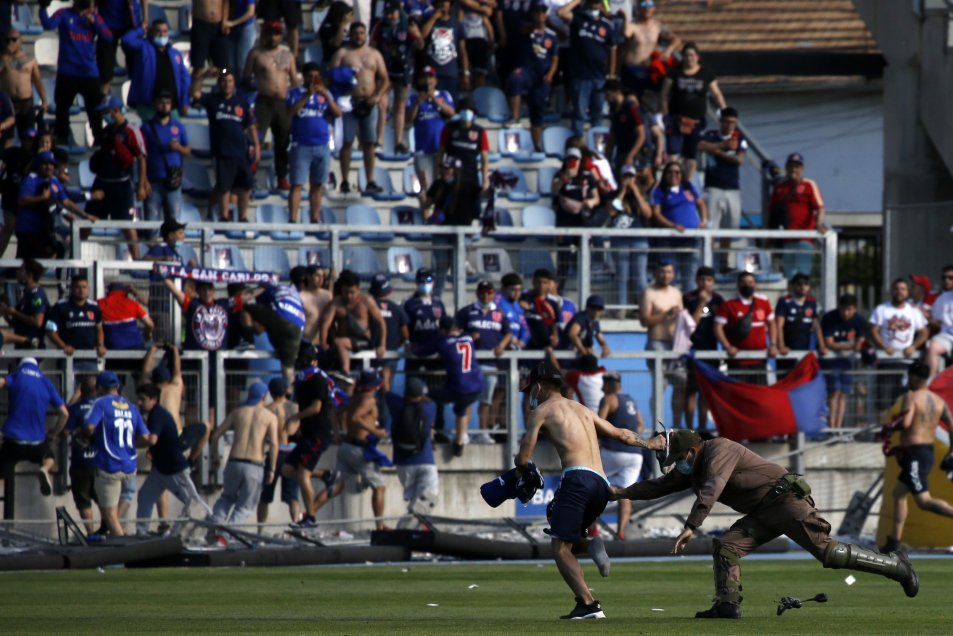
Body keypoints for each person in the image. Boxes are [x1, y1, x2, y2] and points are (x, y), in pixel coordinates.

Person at [613, 429, 919, 618]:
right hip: (762, 511)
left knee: (829, 554)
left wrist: (691, 525)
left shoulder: (720, 449)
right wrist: (619, 493)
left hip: (785, 502)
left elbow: (713, 488)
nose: (675, 466)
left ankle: (897, 566)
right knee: (727, 548)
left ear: (690, 451)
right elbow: (658, 486)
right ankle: (727, 605)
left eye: (677, 459)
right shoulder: (691, 465)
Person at [516, 362, 664, 620]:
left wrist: (522, 474)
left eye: (531, 390)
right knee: (557, 520)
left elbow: (523, 457)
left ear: (538, 387)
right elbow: (621, 434)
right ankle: (591, 545)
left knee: (559, 548)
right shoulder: (583, 409)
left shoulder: (541, 411)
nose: (531, 395)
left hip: (577, 479)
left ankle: (588, 605)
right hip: (600, 484)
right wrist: (651, 443)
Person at [881, 361, 953, 552]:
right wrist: (951, 451)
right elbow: (951, 425)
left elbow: (905, 422)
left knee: (924, 502)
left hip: (914, 454)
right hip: (925, 452)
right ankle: (894, 542)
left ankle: (894, 542)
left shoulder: (911, 397)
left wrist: (890, 427)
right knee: (898, 494)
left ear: (913, 376)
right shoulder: (939, 401)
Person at [135, 383, 213, 536]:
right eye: (138, 399)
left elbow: (152, 440)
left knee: (194, 502)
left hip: (174, 470)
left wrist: (131, 444)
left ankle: (217, 529)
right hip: (160, 469)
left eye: (142, 399)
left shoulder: (157, 414)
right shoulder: (154, 414)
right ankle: (141, 531)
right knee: (145, 496)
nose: (139, 402)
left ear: (153, 400)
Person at [85, 371, 156, 537]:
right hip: (130, 465)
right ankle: (115, 537)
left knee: (109, 514)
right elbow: (147, 438)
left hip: (109, 464)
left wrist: (91, 438)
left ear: (99, 387)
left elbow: (89, 427)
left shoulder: (101, 403)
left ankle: (122, 551)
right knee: (116, 504)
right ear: (117, 386)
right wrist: (131, 445)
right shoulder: (131, 406)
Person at [281, 344, 342, 529]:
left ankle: (311, 518)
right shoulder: (303, 381)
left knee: (302, 474)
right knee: (285, 469)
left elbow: (317, 408)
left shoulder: (317, 379)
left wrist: (294, 417)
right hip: (308, 434)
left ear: (315, 362)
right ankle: (325, 474)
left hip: (318, 434)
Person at [208, 382, 280, 534]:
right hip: (254, 466)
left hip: (233, 463)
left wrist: (216, 457)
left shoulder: (237, 412)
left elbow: (215, 436)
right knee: (245, 507)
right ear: (264, 397)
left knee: (226, 498)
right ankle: (227, 536)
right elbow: (274, 444)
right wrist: (272, 469)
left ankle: (214, 528)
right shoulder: (270, 417)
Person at [193, 68, 260, 223]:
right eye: (224, 81)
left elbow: (251, 126)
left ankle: (243, 217)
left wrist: (256, 146)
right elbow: (194, 92)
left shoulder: (241, 102)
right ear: (219, 83)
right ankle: (224, 216)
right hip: (222, 153)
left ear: (234, 83)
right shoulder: (212, 100)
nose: (227, 84)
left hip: (241, 153)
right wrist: (203, 75)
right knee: (224, 187)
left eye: (230, 81)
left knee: (246, 185)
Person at [330, 20, 389, 195]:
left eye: (362, 33)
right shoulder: (343, 53)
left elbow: (385, 78)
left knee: (369, 143)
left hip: (369, 101)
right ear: (351, 35)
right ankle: (345, 181)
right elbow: (330, 76)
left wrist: (377, 96)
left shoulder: (374, 54)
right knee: (347, 142)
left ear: (366, 35)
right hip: (349, 101)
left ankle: (370, 180)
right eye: (355, 33)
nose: (359, 36)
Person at [40, 0, 112, 145]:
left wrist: (95, 23)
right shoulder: (64, 13)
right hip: (68, 71)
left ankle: (98, 138)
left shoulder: (94, 17)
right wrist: (42, 8)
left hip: (89, 72)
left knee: (95, 109)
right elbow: (48, 24)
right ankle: (62, 137)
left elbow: (108, 36)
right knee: (62, 107)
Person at [0, 358, 69, 506]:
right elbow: (65, 413)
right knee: (49, 457)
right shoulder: (46, 382)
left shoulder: (17, 375)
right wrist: (54, 433)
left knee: (3, 467)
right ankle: (44, 469)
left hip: (13, 440)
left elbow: (2, 382)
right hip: (37, 441)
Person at [87, 95, 147, 260]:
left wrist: (141, 184)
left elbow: (141, 158)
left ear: (115, 111)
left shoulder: (131, 131)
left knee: (127, 224)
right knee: (87, 220)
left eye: (106, 112)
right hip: (102, 183)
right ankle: (77, 255)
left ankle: (136, 260)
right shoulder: (106, 132)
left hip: (121, 185)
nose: (104, 115)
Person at [419, 315, 485, 457]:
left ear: (443, 330)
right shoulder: (468, 338)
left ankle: (430, 435)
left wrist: (410, 346)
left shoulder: (443, 341)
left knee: (427, 397)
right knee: (460, 408)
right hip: (477, 385)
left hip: (458, 388)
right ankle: (459, 442)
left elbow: (420, 351)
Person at [244, 20, 297, 190]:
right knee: (255, 139)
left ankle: (282, 177)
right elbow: (245, 78)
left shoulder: (287, 55)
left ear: (281, 35)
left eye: (276, 34)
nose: (273, 37)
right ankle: (249, 175)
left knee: (282, 141)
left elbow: (295, 81)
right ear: (264, 34)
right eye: (270, 33)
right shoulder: (256, 53)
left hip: (282, 102)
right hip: (263, 101)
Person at [660, 42, 726, 179]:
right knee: (673, 152)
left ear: (697, 57)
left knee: (691, 153)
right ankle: (671, 179)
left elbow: (716, 93)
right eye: (686, 55)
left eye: (692, 55)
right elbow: (664, 95)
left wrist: (724, 109)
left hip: (696, 121)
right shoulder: (674, 72)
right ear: (682, 57)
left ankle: (687, 182)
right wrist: (665, 115)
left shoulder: (705, 73)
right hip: (676, 119)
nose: (689, 58)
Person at [456, 280, 511, 443]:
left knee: (486, 400)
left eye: (489, 292)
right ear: (477, 293)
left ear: (494, 293)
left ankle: (483, 433)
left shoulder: (499, 313)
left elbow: (508, 333)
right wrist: (468, 336)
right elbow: (455, 331)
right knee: (467, 399)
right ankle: (463, 432)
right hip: (470, 363)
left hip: (490, 363)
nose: (486, 295)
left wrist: (501, 345)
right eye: (483, 292)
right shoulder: (467, 311)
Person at [287, 63, 340, 223]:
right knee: (296, 184)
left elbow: (338, 113)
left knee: (317, 185)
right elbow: (290, 112)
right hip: (301, 145)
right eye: (309, 76)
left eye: (315, 76)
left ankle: (315, 218)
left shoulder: (324, 94)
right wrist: (306, 96)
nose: (312, 79)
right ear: (303, 76)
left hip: (322, 145)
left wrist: (326, 95)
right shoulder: (295, 93)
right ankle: (293, 220)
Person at [419, 156, 480, 296]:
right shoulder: (438, 184)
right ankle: (435, 300)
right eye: (444, 168)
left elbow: (478, 202)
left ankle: (459, 300)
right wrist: (422, 192)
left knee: (457, 270)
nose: (446, 171)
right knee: (439, 268)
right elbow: (426, 205)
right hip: (442, 231)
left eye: (449, 168)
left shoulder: (468, 185)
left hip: (462, 232)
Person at [16, 150, 95, 258]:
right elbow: (22, 200)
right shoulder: (30, 179)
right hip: (28, 228)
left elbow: (65, 201)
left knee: (51, 254)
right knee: (32, 258)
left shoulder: (54, 180)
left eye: (51, 164)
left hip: (44, 229)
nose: (49, 167)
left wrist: (84, 215)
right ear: (39, 165)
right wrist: (41, 197)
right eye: (45, 164)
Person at [558, 0, 619, 137]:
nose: (595, 4)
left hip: (599, 77)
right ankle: (577, 149)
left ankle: (596, 149)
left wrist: (612, 73)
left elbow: (613, 50)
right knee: (579, 115)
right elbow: (561, 12)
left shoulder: (606, 25)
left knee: (597, 116)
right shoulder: (579, 18)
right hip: (581, 76)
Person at [338, 369, 389, 530]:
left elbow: (337, 411)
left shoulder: (355, 398)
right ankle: (380, 526)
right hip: (359, 449)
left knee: (337, 486)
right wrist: (376, 431)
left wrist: (337, 432)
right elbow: (355, 418)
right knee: (379, 486)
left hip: (346, 445)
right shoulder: (369, 400)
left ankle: (310, 515)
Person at [697, 106, 746, 268]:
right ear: (721, 121)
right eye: (726, 122)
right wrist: (723, 145)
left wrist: (718, 152)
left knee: (729, 227)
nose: (729, 126)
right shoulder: (711, 135)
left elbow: (739, 160)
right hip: (713, 187)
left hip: (732, 188)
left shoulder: (740, 138)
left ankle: (724, 260)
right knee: (711, 226)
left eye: (732, 122)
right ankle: (708, 261)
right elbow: (701, 145)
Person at [504, 1, 557, 151]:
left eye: (543, 12)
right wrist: (536, 24)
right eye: (537, 12)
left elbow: (554, 58)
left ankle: (537, 145)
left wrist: (551, 74)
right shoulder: (527, 29)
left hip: (541, 76)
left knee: (537, 112)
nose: (540, 15)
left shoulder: (551, 37)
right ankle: (515, 117)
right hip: (527, 70)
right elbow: (525, 29)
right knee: (515, 79)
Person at [597, 372, 644, 540]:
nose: (602, 387)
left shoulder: (609, 399)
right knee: (625, 494)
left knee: (595, 484)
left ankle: (591, 528)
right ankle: (620, 532)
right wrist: (629, 437)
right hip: (635, 455)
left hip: (613, 451)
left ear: (609, 385)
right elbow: (640, 424)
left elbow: (599, 424)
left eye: (604, 384)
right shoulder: (630, 399)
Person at [370, 1, 421, 153]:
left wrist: (416, 33)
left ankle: (398, 141)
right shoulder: (380, 25)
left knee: (400, 107)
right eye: (387, 13)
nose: (390, 16)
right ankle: (379, 140)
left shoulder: (407, 24)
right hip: (385, 71)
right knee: (382, 105)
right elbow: (372, 46)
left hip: (404, 71)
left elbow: (420, 45)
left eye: (393, 13)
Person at [869, 278, 929, 405]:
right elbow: (873, 331)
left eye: (903, 289)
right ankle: (885, 425)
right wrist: (884, 346)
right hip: (886, 362)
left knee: (905, 401)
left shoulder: (914, 311)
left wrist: (913, 346)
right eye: (896, 289)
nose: (899, 292)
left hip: (907, 363)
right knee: (883, 402)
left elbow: (924, 332)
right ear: (891, 291)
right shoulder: (881, 309)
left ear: (907, 292)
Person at [650, 161, 707, 292]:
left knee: (690, 275)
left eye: (677, 172)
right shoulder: (659, 191)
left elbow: (701, 204)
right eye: (670, 172)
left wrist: (703, 221)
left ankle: (688, 305)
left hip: (691, 239)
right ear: (665, 174)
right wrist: (672, 225)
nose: (673, 175)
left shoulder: (688, 188)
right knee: (669, 275)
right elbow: (656, 214)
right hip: (670, 240)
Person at [767, 152, 826, 278]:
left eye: (797, 166)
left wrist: (819, 223)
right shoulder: (780, 187)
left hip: (804, 238)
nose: (794, 169)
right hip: (786, 239)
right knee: (789, 276)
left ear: (802, 168)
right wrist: (769, 234)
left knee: (802, 276)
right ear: (786, 167)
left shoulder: (809, 185)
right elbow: (772, 211)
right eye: (791, 166)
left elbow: (820, 207)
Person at [318, 269, 387, 376]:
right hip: (344, 340)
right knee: (338, 343)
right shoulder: (336, 303)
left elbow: (381, 323)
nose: (349, 296)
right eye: (346, 292)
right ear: (341, 289)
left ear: (358, 289)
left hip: (363, 341)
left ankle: (345, 371)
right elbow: (325, 323)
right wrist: (323, 342)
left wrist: (381, 345)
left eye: (352, 292)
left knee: (339, 342)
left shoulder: (366, 301)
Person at [388, 377, 439, 524]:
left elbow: (387, 393)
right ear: (421, 394)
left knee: (415, 501)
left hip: (403, 463)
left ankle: (411, 527)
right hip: (425, 460)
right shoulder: (430, 407)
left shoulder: (396, 405)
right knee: (428, 498)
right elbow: (428, 400)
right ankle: (407, 529)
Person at [714, 272, 777, 386]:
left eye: (750, 282)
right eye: (743, 283)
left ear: (755, 284)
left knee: (759, 396)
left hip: (760, 361)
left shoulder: (763, 301)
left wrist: (772, 345)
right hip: (738, 362)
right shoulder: (728, 304)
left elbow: (772, 323)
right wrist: (727, 346)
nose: (747, 285)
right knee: (738, 397)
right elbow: (717, 327)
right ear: (738, 285)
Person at [121, 20, 192, 121]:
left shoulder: (175, 53)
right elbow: (126, 40)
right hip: (148, 105)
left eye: (165, 31)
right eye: (158, 31)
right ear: (151, 32)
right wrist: (141, 30)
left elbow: (185, 79)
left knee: (174, 134)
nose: (161, 34)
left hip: (171, 106)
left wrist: (185, 101)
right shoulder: (143, 47)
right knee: (152, 135)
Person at [240, 278, 306, 385]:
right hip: (298, 326)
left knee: (244, 308)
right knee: (288, 368)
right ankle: (292, 395)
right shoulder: (293, 292)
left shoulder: (266, 288)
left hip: (281, 314)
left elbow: (260, 328)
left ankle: (248, 341)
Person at [257, 377, 302, 526]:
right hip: (291, 452)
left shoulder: (265, 410)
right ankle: (297, 526)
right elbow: (293, 430)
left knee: (265, 496)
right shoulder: (294, 407)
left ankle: (260, 530)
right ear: (285, 391)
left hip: (274, 452)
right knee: (293, 497)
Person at [682, 266, 724, 430]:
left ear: (713, 282)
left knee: (705, 393)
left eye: (708, 280)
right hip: (692, 352)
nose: (705, 283)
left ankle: (702, 428)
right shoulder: (688, 298)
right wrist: (701, 303)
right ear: (696, 281)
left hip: (711, 352)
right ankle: (690, 429)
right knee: (691, 392)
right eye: (701, 280)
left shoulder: (719, 300)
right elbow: (690, 325)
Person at [607, 165, 652, 311]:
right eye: (625, 177)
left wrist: (635, 192)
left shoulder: (641, 195)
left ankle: (643, 309)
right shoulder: (614, 195)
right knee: (622, 277)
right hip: (620, 240)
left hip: (639, 239)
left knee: (640, 277)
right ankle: (621, 309)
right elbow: (612, 211)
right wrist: (622, 192)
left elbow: (647, 213)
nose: (628, 180)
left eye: (631, 177)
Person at [141, 92, 191, 223]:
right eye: (161, 103)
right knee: (152, 221)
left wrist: (178, 148)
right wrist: (143, 179)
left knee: (174, 222)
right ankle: (152, 244)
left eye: (168, 103)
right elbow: (141, 156)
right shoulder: (146, 128)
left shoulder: (178, 127)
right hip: (153, 182)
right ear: (155, 104)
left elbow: (188, 151)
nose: (164, 106)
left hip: (173, 180)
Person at [552, 147, 600, 277]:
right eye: (570, 159)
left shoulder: (587, 176)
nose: (573, 162)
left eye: (576, 159)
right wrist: (565, 177)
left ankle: (585, 287)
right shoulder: (559, 175)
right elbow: (554, 189)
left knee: (584, 257)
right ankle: (561, 289)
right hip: (565, 221)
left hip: (582, 221)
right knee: (564, 260)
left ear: (580, 161)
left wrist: (591, 202)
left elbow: (597, 198)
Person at [820, 293, 866, 429]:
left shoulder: (858, 320)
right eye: (843, 309)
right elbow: (829, 343)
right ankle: (831, 426)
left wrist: (858, 343)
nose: (846, 313)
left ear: (855, 309)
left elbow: (861, 338)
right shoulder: (829, 318)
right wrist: (850, 346)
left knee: (843, 394)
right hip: (831, 362)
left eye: (849, 309)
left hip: (846, 362)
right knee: (834, 393)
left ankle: (838, 427)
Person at [619, 0, 681, 100]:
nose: (647, 8)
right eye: (644, 5)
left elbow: (676, 40)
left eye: (650, 5)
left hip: (649, 71)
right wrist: (625, 18)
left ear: (653, 8)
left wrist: (668, 51)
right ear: (639, 7)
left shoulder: (657, 26)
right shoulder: (634, 25)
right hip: (632, 70)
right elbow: (626, 33)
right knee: (632, 101)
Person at [407, 65, 455, 192]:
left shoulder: (444, 95)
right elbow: (408, 119)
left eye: (430, 77)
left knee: (441, 186)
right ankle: (426, 211)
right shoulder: (413, 98)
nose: (428, 80)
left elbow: (452, 113)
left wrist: (435, 99)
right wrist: (418, 102)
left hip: (440, 149)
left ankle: (438, 212)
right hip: (422, 150)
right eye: (424, 77)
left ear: (436, 80)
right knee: (425, 187)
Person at [45, 274, 106, 369]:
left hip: (90, 357)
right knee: (69, 383)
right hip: (68, 357)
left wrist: (100, 345)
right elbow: (50, 329)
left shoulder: (94, 307)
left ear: (88, 289)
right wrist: (64, 346)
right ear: (72, 289)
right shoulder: (61, 306)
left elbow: (99, 328)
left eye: (84, 287)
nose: (81, 290)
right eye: (78, 287)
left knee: (92, 383)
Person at [64, 376, 99, 532]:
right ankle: (110, 528)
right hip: (101, 462)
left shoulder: (76, 408)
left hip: (80, 462)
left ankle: (90, 533)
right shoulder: (104, 407)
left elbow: (65, 431)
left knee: (83, 500)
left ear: (81, 391)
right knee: (106, 499)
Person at [437, 96, 489, 201]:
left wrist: (485, 179)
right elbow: (441, 152)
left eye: (469, 110)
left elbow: (485, 158)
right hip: (451, 175)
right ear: (459, 112)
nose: (466, 112)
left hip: (470, 175)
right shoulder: (449, 128)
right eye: (464, 110)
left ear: (473, 113)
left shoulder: (480, 131)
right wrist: (439, 173)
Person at [775, 273, 828, 375]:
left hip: (804, 351)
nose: (803, 287)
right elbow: (779, 325)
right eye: (799, 284)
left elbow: (816, 326)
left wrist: (822, 346)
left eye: (806, 284)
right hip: (787, 352)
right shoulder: (785, 302)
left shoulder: (811, 302)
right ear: (793, 286)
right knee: (785, 381)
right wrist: (781, 346)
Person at [0, 29, 48, 138]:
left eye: (14, 40)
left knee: (28, 135)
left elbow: (37, 81)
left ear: (20, 40)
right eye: (7, 40)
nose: (10, 43)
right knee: (7, 137)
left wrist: (44, 100)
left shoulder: (30, 59)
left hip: (26, 102)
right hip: (9, 103)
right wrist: (5, 59)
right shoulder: (2, 59)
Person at [420, 0, 469, 100]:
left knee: (451, 105)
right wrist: (434, 17)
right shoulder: (428, 21)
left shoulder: (457, 24)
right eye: (440, 1)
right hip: (431, 75)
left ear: (450, 5)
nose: (442, 4)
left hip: (450, 73)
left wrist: (465, 72)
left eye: (445, 2)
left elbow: (462, 51)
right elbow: (421, 36)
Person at [369, 272, 408, 392]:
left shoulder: (367, 307)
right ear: (389, 290)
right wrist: (396, 345)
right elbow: (405, 334)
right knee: (386, 390)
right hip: (390, 353)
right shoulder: (397, 308)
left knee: (368, 391)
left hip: (370, 354)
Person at [2, 258, 50, 346]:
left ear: (29, 275)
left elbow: (37, 322)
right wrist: (6, 313)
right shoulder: (26, 293)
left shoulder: (36, 294)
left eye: (21, 270)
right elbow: (17, 325)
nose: (17, 272)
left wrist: (15, 313)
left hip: (33, 345)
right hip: (22, 343)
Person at [98, 282, 154, 350]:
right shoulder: (133, 304)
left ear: (108, 291)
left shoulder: (98, 304)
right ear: (125, 292)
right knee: (150, 345)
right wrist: (147, 334)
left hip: (111, 345)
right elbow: (150, 324)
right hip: (134, 345)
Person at [604, 80, 645, 172]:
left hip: (633, 151)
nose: (606, 98)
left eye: (608, 94)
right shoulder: (613, 109)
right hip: (621, 149)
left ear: (617, 92)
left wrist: (631, 155)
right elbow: (613, 133)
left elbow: (641, 135)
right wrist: (607, 155)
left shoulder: (630, 107)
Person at [190, 0, 228, 80]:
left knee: (224, 69)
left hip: (219, 27)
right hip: (201, 25)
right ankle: (195, 91)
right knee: (198, 67)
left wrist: (225, 20)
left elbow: (226, 2)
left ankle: (221, 90)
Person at [564, 295, 610, 360]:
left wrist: (605, 348)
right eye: (593, 308)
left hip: (579, 357)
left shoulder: (595, 322)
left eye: (599, 308)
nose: (596, 311)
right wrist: (582, 349)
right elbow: (572, 334)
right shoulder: (581, 317)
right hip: (567, 354)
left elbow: (601, 339)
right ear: (587, 307)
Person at [925, 273, 953, 379]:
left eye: (951, 278)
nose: (947, 280)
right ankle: (930, 383)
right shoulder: (943, 298)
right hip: (947, 336)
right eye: (945, 277)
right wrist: (928, 318)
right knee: (932, 347)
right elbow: (935, 319)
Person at [495, 272, 529, 351]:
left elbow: (525, 327)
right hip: (499, 347)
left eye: (520, 290)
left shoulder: (518, 306)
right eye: (513, 290)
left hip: (515, 348)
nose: (517, 293)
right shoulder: (496, 302)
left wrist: (523, 341)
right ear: (503, 288)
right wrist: (511, 338)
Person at [223, 0, 257, 76]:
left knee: (242, 63)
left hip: (246, 27)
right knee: (230, 64)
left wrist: (232, 23)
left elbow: (251, 12)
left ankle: (243, 84)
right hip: (232, 29)